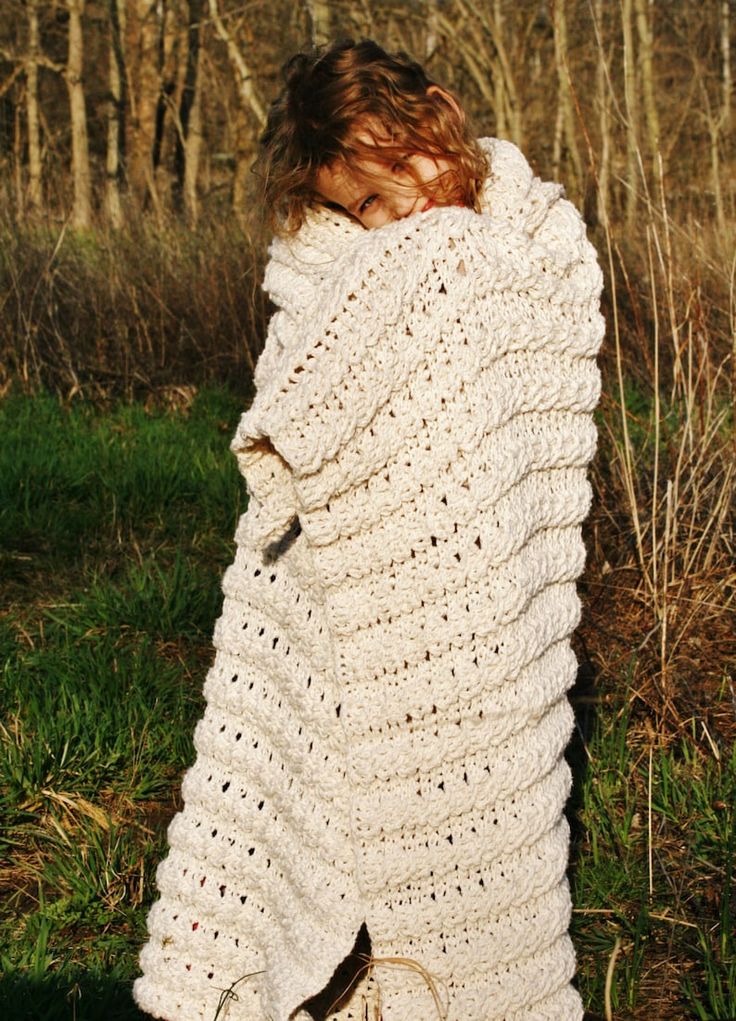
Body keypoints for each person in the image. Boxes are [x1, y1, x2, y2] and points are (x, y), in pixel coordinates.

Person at [134, 39, 604, 1021]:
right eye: (365, 207)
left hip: (487, 595)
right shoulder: (355, 267)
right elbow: (308, 410)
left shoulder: (533, 240)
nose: (397, 213)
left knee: (468, 817)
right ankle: (337, 979)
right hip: (349, 575)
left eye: (402, 171)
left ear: (438, 119)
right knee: (317, 785)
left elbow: (521, 423)